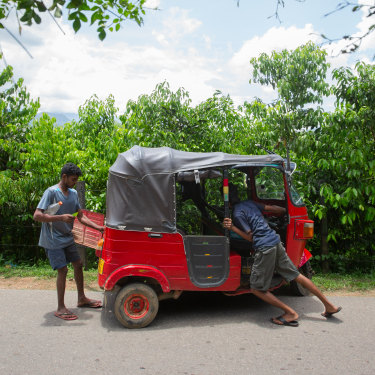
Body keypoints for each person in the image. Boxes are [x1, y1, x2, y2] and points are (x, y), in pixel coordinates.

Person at [223, 184, 341, 327]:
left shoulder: (236, 214)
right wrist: (286, 210)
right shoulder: (249, 203)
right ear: (238, 196)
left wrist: (232, 227)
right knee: (296, 275)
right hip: (275, 241)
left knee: (257, 289)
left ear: (227, 202)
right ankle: (329, 306)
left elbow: (251, 238)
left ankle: (290, 313)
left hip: (264, 247)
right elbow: (274, 209)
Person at [33, 163, 105, 321]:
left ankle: (81, 298)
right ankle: (60, 307)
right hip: (52, 239)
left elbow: (81, 216)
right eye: (73, 179)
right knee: (63, 270)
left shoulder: (73, 193)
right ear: (64, 177)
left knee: (78, 264)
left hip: (67, 237)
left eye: (76, 180)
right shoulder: (51, 192)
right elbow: (37, 215)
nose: (74, 182)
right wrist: (60, 217)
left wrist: (98, 227)